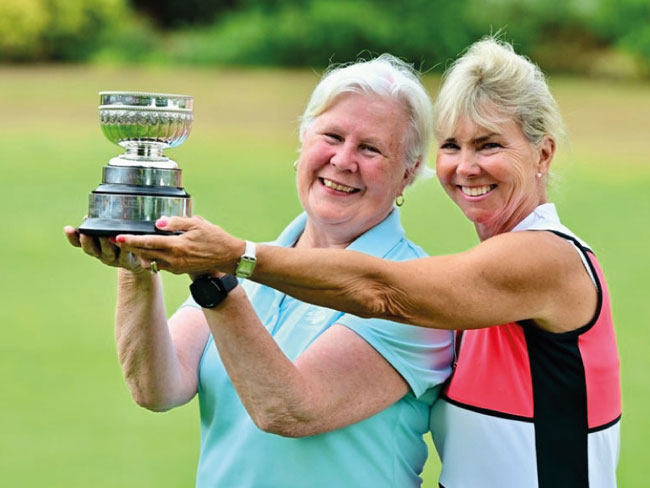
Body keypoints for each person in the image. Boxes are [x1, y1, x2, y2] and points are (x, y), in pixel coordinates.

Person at [115, 38, 621, 488]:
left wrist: (229, 264)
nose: (466, 167)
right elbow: (158, 388)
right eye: (452, 145)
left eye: (489, 145)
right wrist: (134, 252)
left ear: (542, 154)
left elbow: (375, 296)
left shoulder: (544, 257)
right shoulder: (463, 278)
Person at [65, 55, 454, 487]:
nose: (344, 161)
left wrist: (215, 273)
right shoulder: (253, 262)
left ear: (408, 173)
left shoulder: (414, 291)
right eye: (332, 136)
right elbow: (157, 388)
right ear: (304, 142)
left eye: (370, 148)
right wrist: (135, 260)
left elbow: (290, 409)